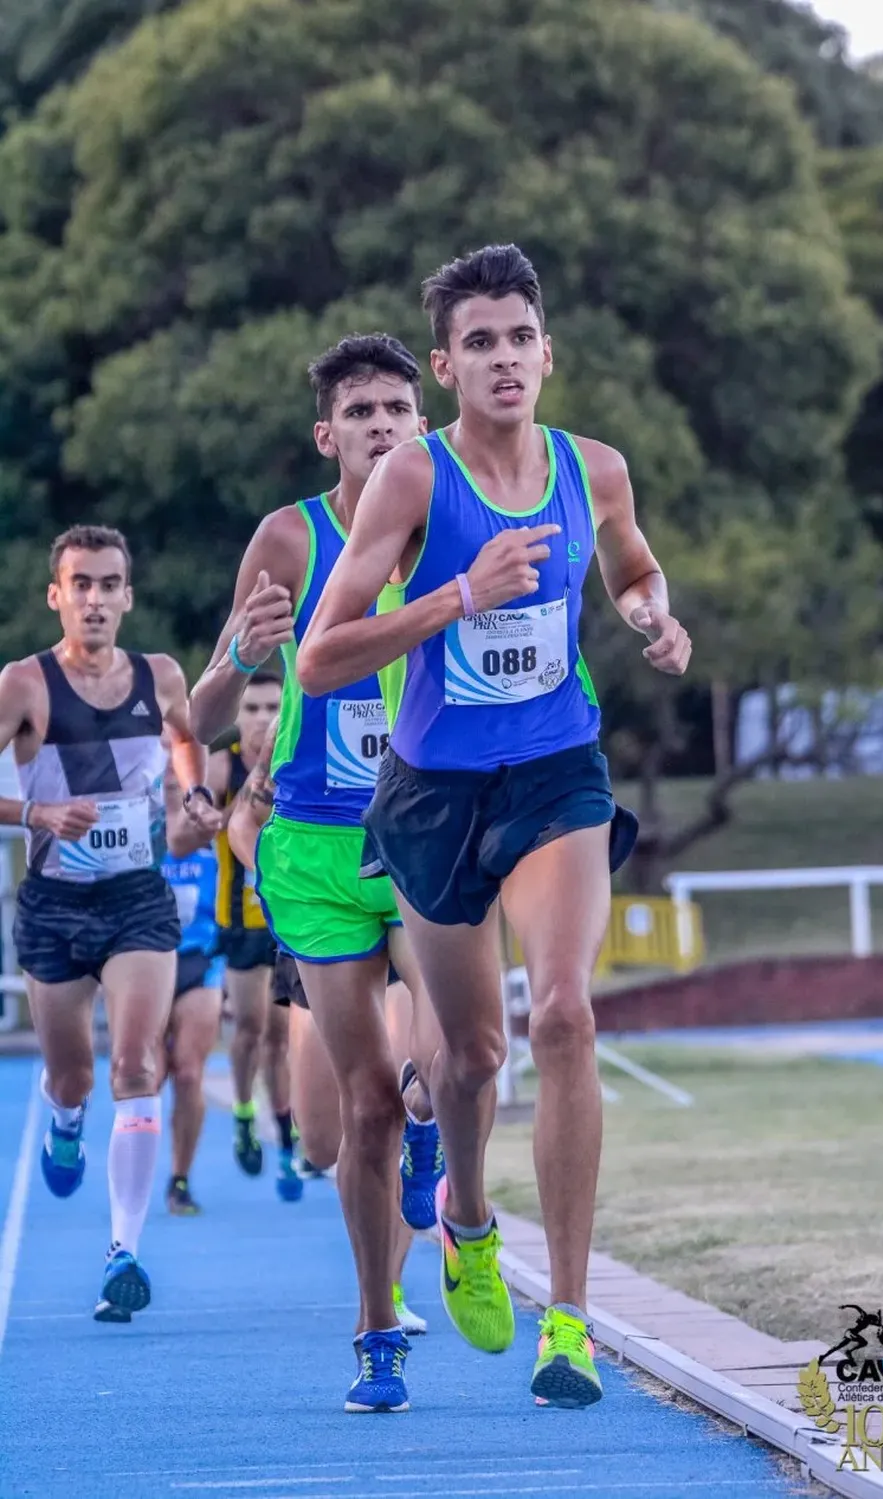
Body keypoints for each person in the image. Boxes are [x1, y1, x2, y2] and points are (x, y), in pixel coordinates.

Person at [296, 246, 693, 1409]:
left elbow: (631, 569)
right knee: (466, 1058)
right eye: (480, 342)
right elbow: (320, 658)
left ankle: (566, 1319)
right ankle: (466, 1213)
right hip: (431, 794)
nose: (504, 358)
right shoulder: (411, 483)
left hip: (556, 772)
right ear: (447, 365)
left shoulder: (595, 469)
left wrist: (650, 616)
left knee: (564, 1011)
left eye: (520, 336)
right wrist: (459, 595)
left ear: (547, 351)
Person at [190, 333, 445, 1413]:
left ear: (420, 421)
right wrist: (244, 657)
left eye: (398, 407)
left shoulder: (458, 524)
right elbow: (199, 716)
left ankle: (441, 1140)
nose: (382, 425)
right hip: (314, 847)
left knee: (451, 1064)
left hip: (432, 830)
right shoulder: (289, 538)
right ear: (326, 432)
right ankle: (375, 1325)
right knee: (360, 1111)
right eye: (362, 411)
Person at [0, 524, 220, 1321]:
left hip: (136, 900)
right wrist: (36, 810)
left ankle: (122, 1250)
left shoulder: (160, 674)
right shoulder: (23, 684)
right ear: (56, 595)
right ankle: (65, 1120)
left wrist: (193, 793)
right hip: (55, 908)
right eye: (80, 584)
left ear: (128, 595)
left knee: (135, 1065)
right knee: (73, 1076)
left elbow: (188, 738)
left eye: (109, 584)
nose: (95, 598)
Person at [227, 738, 430, 1340]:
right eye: (255, 708)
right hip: (317, 917)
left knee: (389, 1100)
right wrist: (269, 870)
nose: (263, 714)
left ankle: (385, 1296)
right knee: (320, 1142)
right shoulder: (286, 733)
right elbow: (242, 819)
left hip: (401, 897)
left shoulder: (409, 679)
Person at [202, 673, 301, 1200]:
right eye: (254, 707)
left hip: (290, 919)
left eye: (273, 706)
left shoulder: (296, 753)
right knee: (249, 1029)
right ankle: (243, 1111)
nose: (264, 717)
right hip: (239, 920)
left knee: (281, 1037)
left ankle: (286, 1140)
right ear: (239, 718)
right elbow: (197, 821)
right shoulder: (223, 765)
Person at [159, 772, 225, 1216]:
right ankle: (134, 1164)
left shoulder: (210, 816)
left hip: (201, 957)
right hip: (145, 956)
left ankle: (180, 1178)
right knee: (147, 1074)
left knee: (188, 1073)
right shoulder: (139, 821)